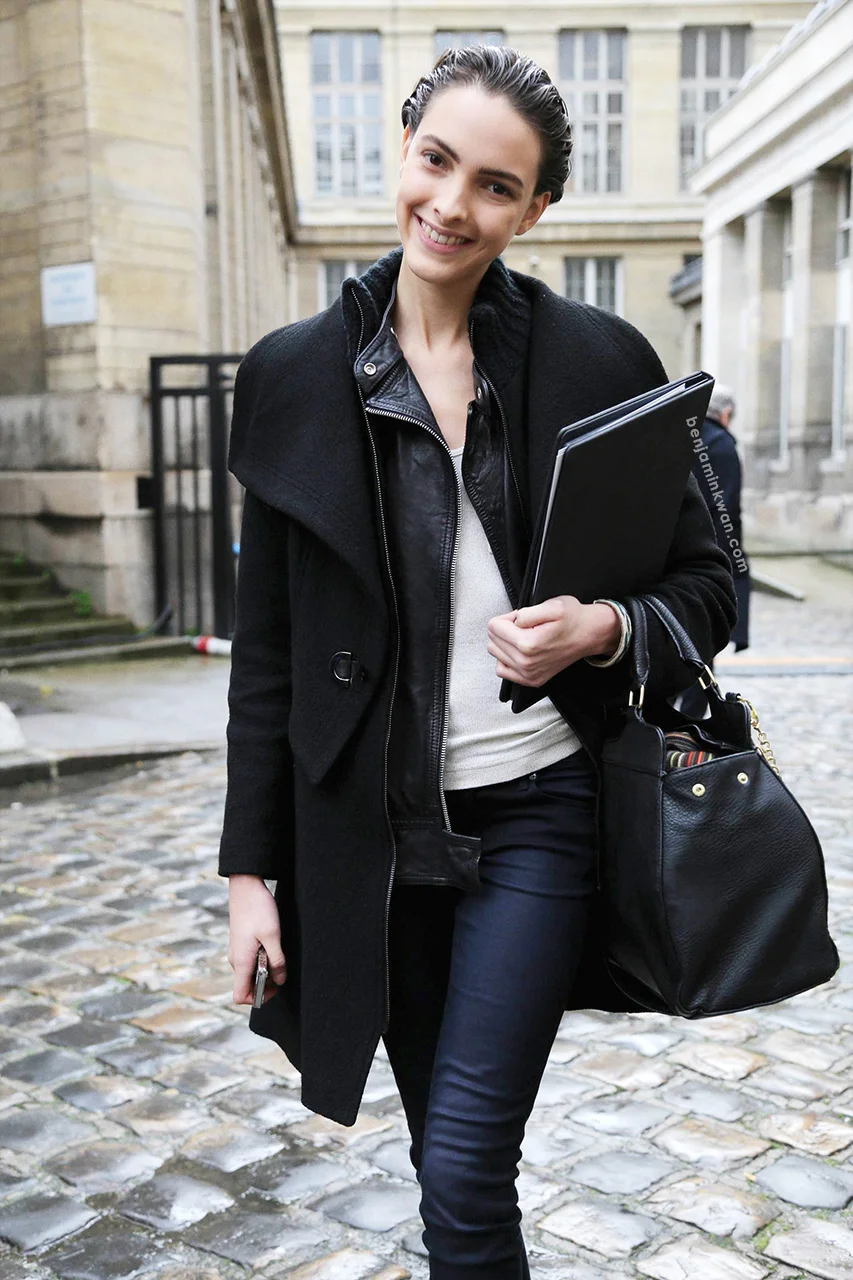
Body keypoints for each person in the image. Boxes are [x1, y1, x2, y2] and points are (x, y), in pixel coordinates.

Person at [219, 46, 736, 1280]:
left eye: (495, 185)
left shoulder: (599, 360)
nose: (451, 204)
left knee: (458, 1162)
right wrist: (249, 871)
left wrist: (601, 625)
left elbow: (710, 583)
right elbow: (268, 658)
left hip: (539, 816)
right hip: (371, 839)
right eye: (436, 160)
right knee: (448, 1165)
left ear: (536, 208)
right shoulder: (291, 376)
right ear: (402, 150)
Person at [680, 383, 749, 718]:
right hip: (710, 555)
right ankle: (689, 719)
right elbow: (726, 509)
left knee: (680, 632)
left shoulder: (681, 434)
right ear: (726, 413)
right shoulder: (721, 443)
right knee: (704, 641)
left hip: (673, 552)